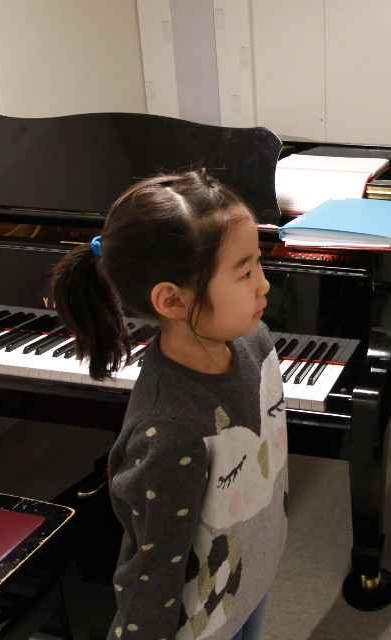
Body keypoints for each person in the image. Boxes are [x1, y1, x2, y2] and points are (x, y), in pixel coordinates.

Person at [52, 170, 288, 640]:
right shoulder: (170, 433)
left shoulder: (255, 340)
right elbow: (153, 572)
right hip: (201, 619)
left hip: (252, 572)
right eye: (243, 272)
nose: (263, 285)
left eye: (258, 263)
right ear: (172, 300)